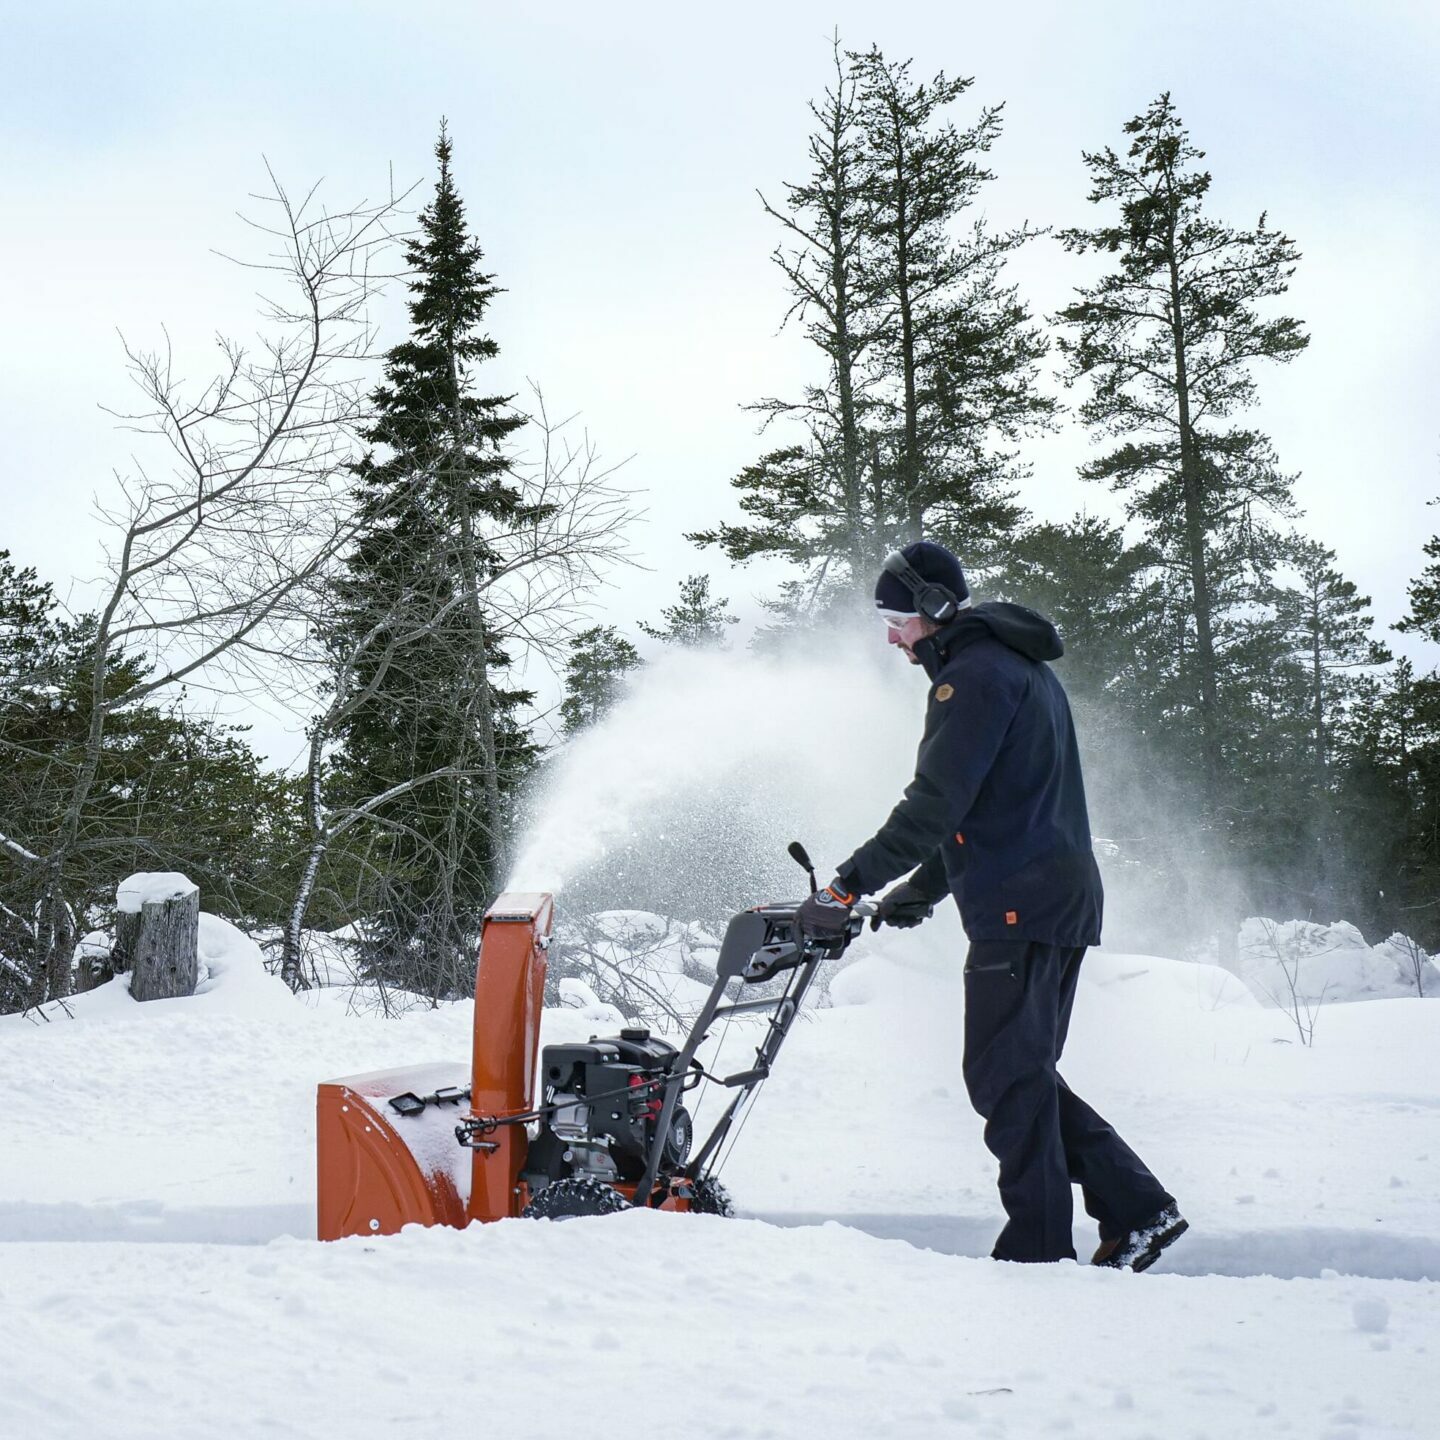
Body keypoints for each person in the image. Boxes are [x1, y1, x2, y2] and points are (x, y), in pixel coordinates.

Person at [797, 540, 1187, 1270]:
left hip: (1024, 903)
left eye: (898, 617)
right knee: (1019, 1072)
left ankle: (1046, 1247)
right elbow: (985, 809)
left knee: (1005, 1076)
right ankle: (1133, 1211)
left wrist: (847, 883)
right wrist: (917, 892)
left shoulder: (973, 678)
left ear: (937, 611)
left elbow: (934, 806)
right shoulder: (1013, 667)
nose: (891, 634)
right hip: (1049, 896)